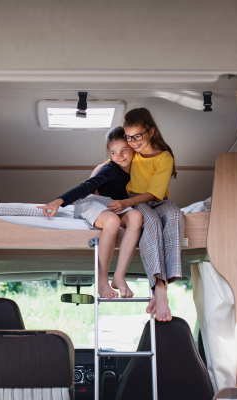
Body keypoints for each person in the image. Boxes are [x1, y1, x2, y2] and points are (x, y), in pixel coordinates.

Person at [37, 127, 143, 299]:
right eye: (114, 152)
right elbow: (86, 187)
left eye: (124, 150)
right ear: (109, 154)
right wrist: (59, 202)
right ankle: (103, 282)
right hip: (91, 202)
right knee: (112, 222)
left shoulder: (140, 169)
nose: (120, 156)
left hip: (114, 205)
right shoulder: (109, 169)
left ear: (132, 147)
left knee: (136, 216)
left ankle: (119, 277)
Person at [104, 108, 184, 321]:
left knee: (175, 215)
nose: (133, 141)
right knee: (150, 221)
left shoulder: (164, 157)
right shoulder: (131, 151)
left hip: (155, 199)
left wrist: (126, 202)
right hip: (137, 202)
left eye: (137, 136)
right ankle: (159, 288)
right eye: (129, 137)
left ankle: (162, 287)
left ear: (151, 132)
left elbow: (157, 193)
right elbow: (111, 161)